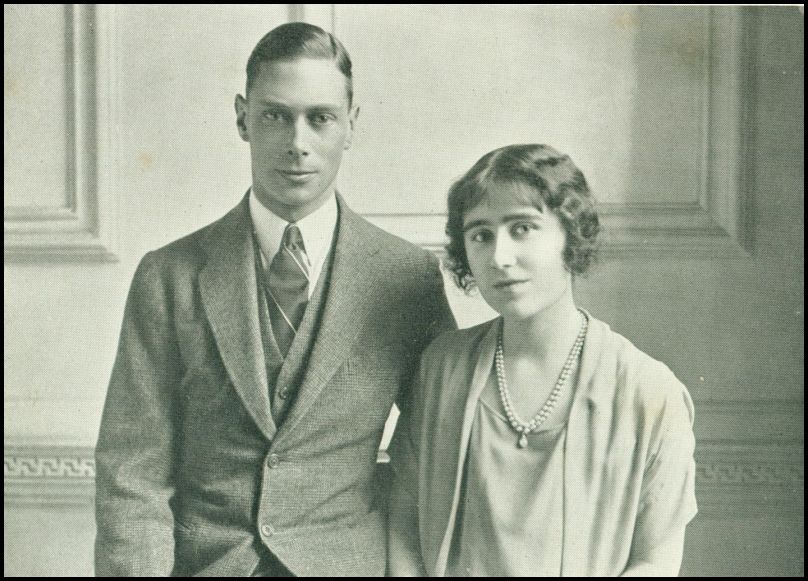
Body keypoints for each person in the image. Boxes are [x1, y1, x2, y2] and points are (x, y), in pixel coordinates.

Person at [94, 22, 455, 577]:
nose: (297, 143)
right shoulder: (168, 276)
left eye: (320, 118)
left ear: (351, 125)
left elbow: (438, 447)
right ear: (242, 118)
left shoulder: (407, 279)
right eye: (274, 116)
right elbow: (131, 472)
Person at [388, 144, 697, 576]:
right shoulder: (443, 368)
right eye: (480, 234)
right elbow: (404, 524)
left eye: (522, 228)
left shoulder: (648, 390)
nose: (499, 257)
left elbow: (655, 560)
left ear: (571, 233)